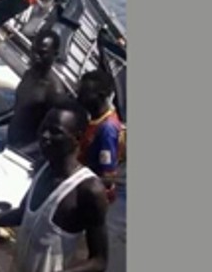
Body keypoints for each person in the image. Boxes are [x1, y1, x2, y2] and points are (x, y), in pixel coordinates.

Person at [0, 106, 110, 272]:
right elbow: (22, 214)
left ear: (77, 137)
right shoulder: (43, 167)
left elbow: (99, 261)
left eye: (55, 131)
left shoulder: (88, 190)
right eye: (43, 128)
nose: (45, 136)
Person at [76, 70, 126, 272]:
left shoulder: (106, 129)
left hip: (94, 198)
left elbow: (107, 176)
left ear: (100, 95)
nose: (79, 96)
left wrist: (75, 177)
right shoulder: (98, 118)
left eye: (84, 92)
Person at [5, 30, 71, 159]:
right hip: (11, 145)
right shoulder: (29, 74)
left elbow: (56, 135)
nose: (35, 56)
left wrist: (23, 152)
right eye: (33, 51)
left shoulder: (54, 90)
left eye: (42, 53)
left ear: (55, 55)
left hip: (28, 156)